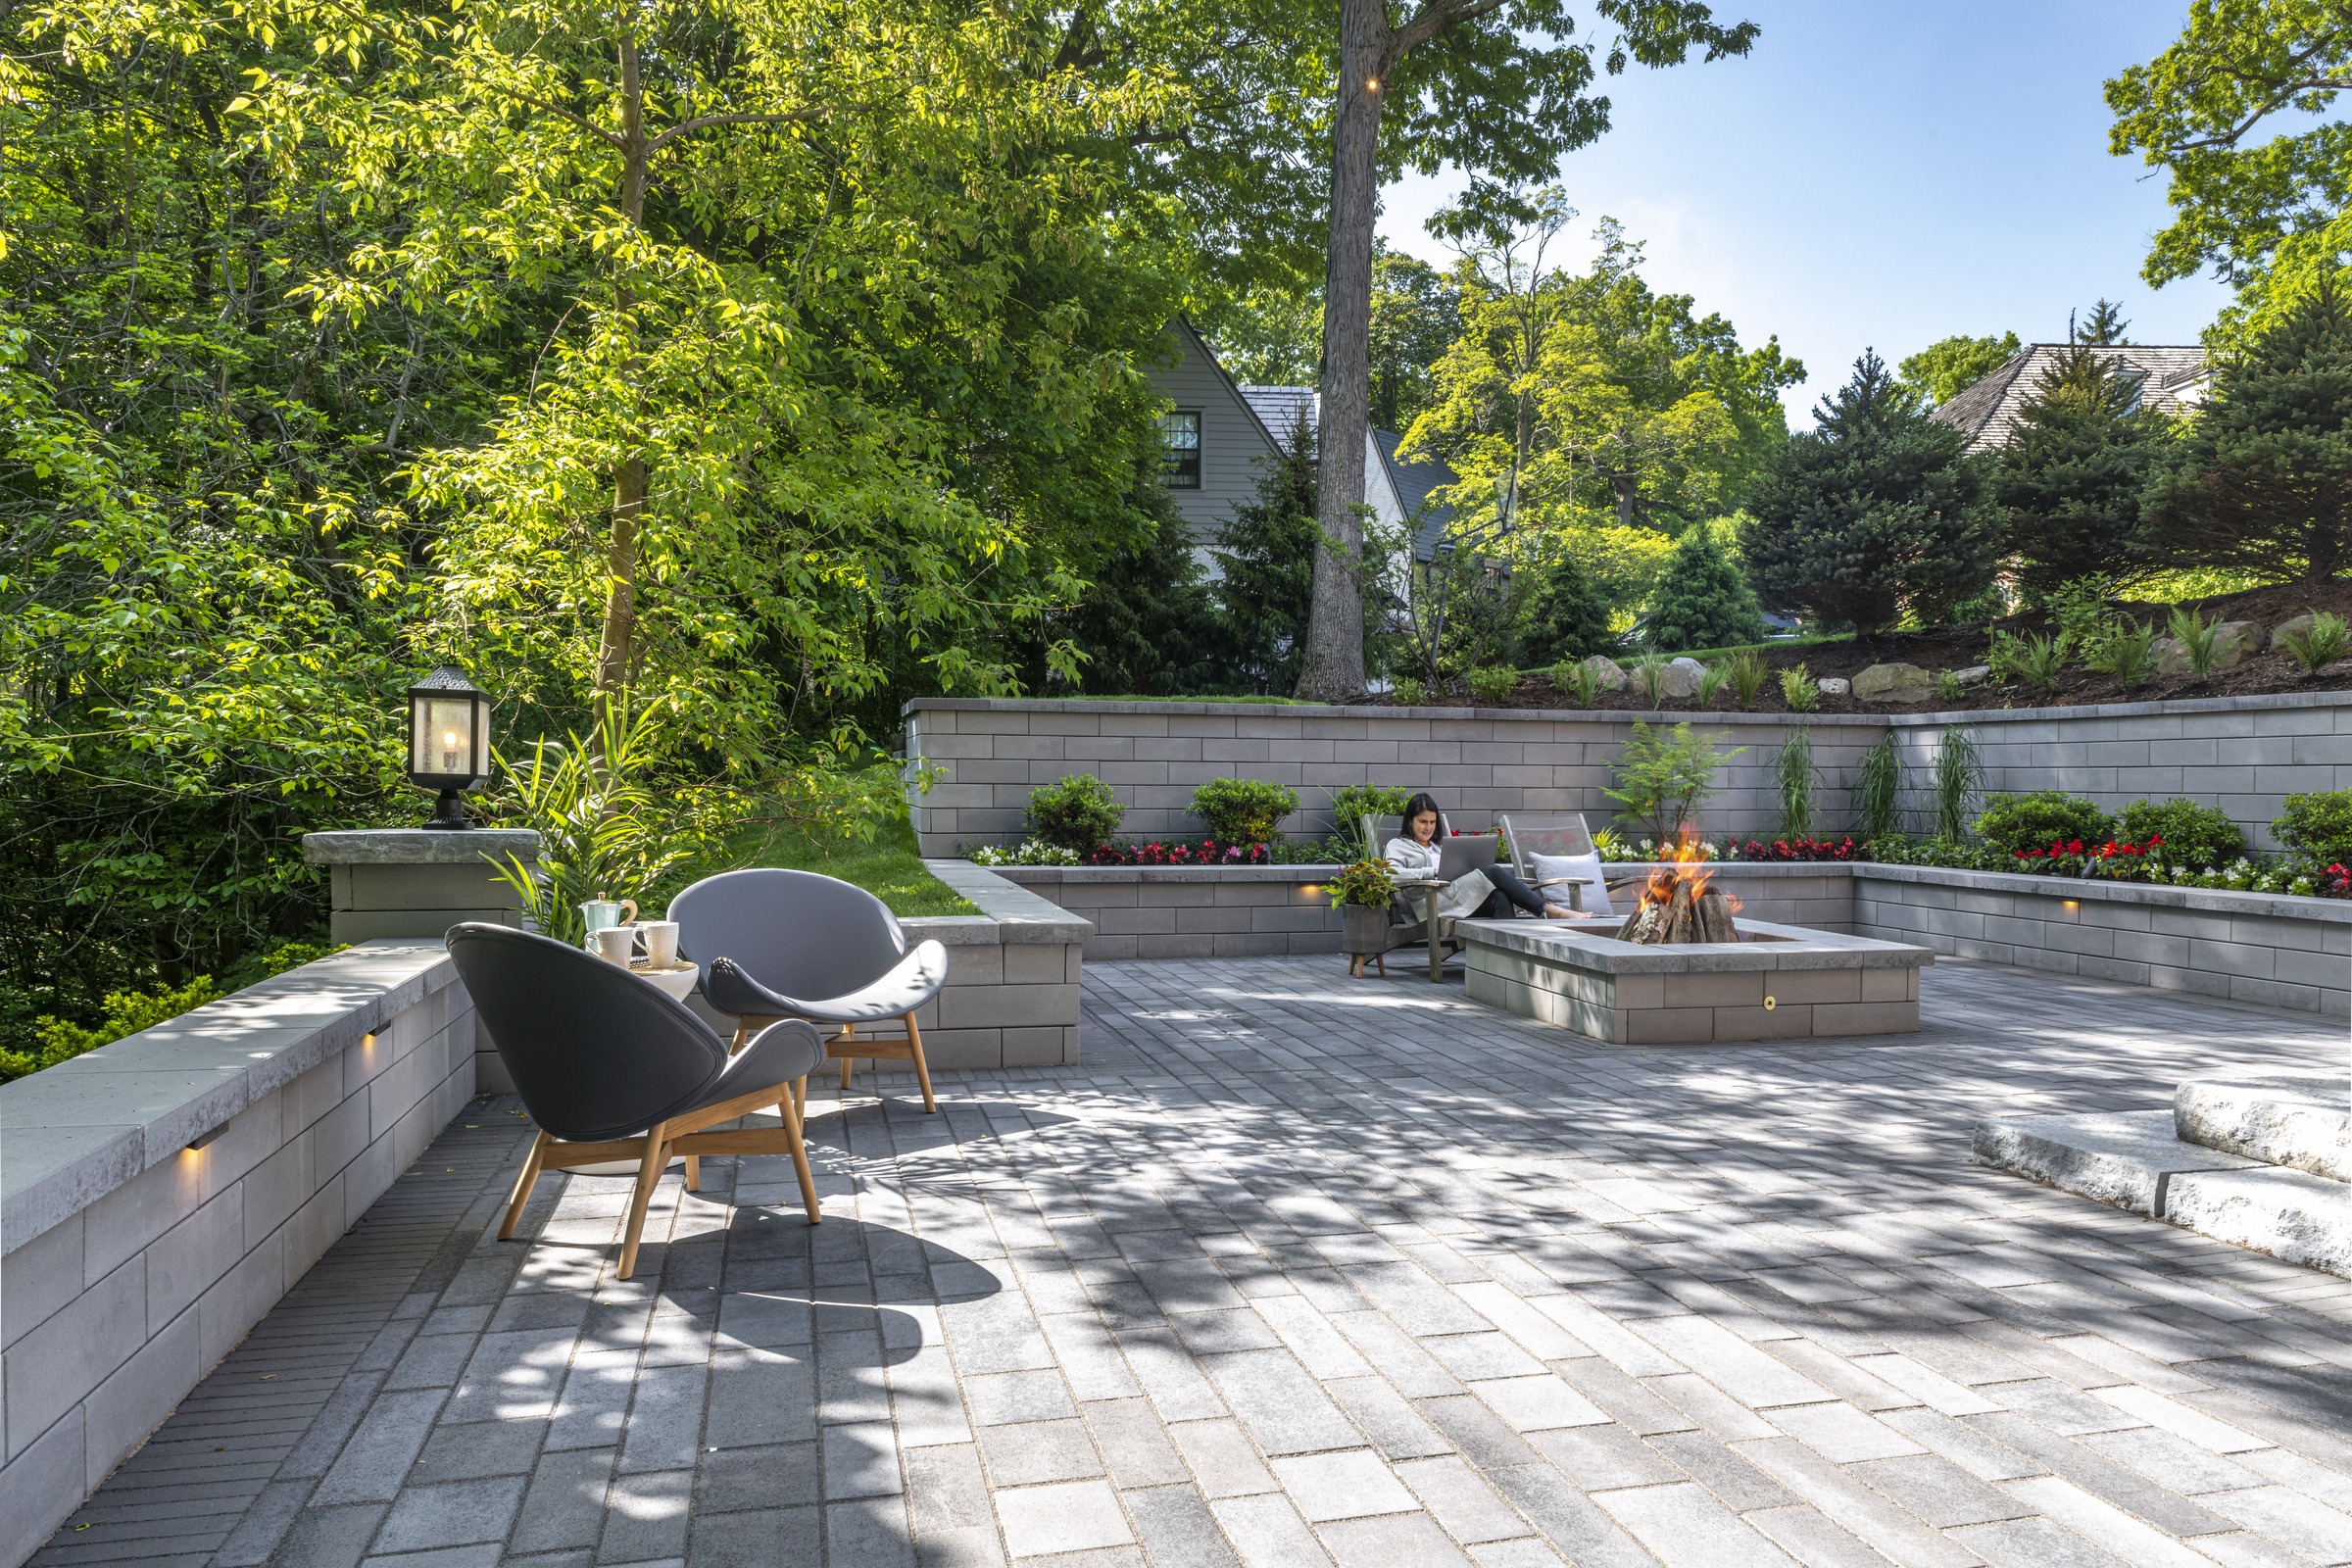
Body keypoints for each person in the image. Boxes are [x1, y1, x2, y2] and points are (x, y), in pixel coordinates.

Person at [1383, 793, 1588, 921]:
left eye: (1432, 822)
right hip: (1431, 903)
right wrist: (1432, 872)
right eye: (1422, 822)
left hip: (1456, 896)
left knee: (1499, 896)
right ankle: (1548, 910)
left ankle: (1508, 960)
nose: (1428, 827)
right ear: (1410, 821)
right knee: (1494, 871)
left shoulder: (1440, 846)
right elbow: (1389, 875)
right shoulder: (1398, 845)